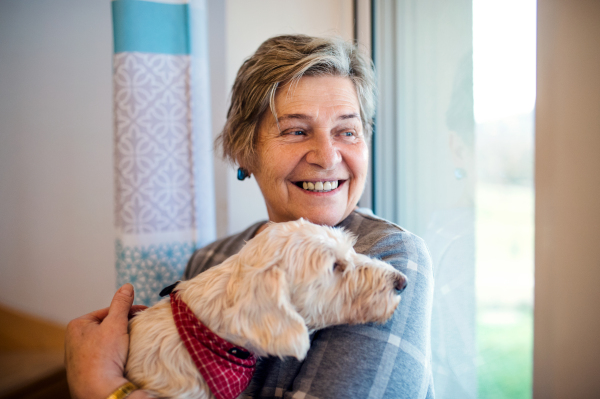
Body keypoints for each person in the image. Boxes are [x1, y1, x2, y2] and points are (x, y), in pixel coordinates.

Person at [65, 34, 434, 399]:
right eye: (296, 130)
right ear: (244, 152)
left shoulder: (392, 258)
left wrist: (102, 385)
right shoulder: (210, 260)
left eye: (347, 131)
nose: (327, 156)